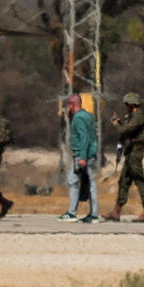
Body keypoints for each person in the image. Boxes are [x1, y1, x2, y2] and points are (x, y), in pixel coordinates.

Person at [103, 92, 144, 222]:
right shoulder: (133, 116)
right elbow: (127, 129)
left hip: (135, 153)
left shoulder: (138, 116)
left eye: (127, 104)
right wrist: (120, 122)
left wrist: (117, 124)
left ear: (132, 104)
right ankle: (116, 212)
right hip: (130, 153)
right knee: (124, 182)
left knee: (140, 181)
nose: (126, 106)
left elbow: (125, 130)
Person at [59, 94, 99, 223]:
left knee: (75, 181)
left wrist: (82, 157)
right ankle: (92, 214)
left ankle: (73, 213)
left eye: (68, 105)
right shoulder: (88, 116)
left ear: (73, 104)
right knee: (86, 182)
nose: (67, 108)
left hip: (83, 155)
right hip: (89, 153)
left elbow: (84, 137)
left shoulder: (78, 118)